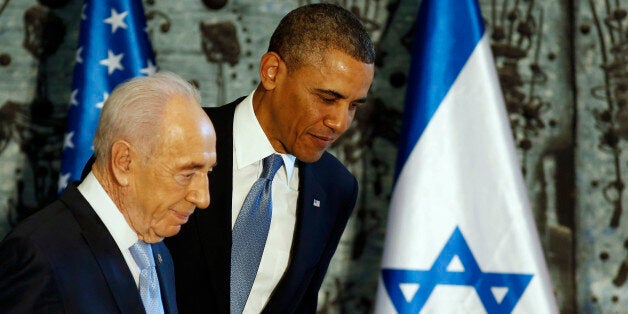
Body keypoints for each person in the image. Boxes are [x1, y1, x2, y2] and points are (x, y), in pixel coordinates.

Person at [165, 3, 375, 313]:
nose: (340, 123)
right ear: (272, 72)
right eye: (327, 98)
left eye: (353, 106)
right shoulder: (173, 140)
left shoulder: (335, 188)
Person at [0, 71, 217, 313]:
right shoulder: (39, 254)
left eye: (207, 172)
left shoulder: (157, 249)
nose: (203, 198)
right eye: (187, 174)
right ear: (124, 162)